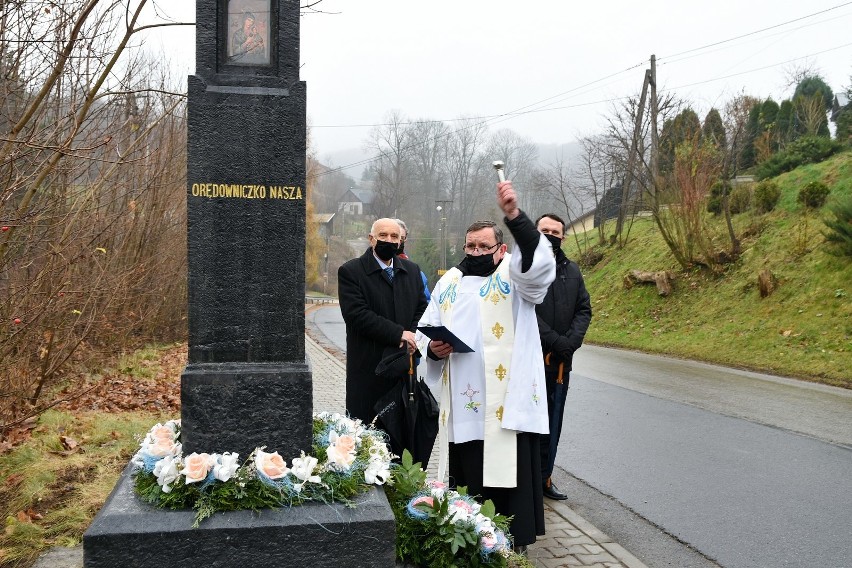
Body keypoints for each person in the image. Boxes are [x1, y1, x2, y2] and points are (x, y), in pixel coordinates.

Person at [417, 181, 555, 550]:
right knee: (470, 476)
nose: (476, 251)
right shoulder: (449, 282)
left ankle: (513, 542)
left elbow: (541, 266)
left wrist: (514, 215)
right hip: (465, 402)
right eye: (470, 245)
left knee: (506, 475)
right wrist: (433, 349)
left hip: (505, 404)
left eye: (484, 246)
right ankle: (470, 536)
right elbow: (422, 331)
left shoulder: (514, 277)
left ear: (501, 249)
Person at [338, 218, 428, 427]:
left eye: (394, 237)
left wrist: (412, 335)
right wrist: (398, 334)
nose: (389, 240)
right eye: (383, 236)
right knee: (366, 438)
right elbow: (357, 315)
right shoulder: (351, 272)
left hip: (403, 369)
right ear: (371, 239)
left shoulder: (412, 271)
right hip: (368, 370)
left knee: (403, 437)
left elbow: (422, 308)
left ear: (400, 241)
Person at [534, 213, 593, 501]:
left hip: (560, 364)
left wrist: (570, 343)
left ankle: (546, 477)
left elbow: (584, 309)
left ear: (563, 237)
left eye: (555, 231)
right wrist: (555, 341)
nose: (549, 235)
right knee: (532, 424)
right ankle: (528, 479)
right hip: (533, 360)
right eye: (544, 230)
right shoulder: (524, 269)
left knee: (554, 423)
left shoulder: (573, 270)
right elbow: (525, 310)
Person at [394, 219, 430, 301]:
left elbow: (426, 303)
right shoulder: (369, 267)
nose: (398, 242)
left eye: (401, 238)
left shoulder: (415, 272)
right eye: (395, 236)